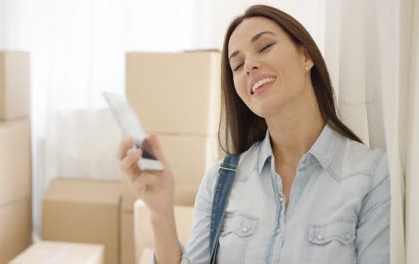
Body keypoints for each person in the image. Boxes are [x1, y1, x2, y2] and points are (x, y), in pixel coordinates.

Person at [118, 4, 390, 264]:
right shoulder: (219, 181)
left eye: (265, 46)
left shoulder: (371, 175)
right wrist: (160, 212)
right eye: (237, 65)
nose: (249, 66)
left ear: (306, 56)